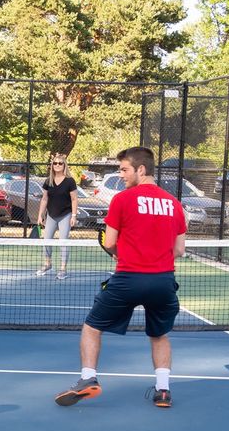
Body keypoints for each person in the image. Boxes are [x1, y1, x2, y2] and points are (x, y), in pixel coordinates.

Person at [54, 146, 187, 409]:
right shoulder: (174, 204)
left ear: (141, 169)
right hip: (163, 281)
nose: (122, 175)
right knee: (159, 335)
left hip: (128, 278)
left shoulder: (122, 200)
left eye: (125, 170)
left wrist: (118, 252)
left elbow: (111, 241)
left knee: (92, 327)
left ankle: (87, 378)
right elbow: (180, 250)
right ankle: (163, 391)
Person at [35, 155, 79, 279]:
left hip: (66, 214)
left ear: (64, 165)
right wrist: (40, 215)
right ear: (52, 166)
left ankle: (63, 268)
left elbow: (74, 199)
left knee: (63, 241)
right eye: (55, 163)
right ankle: (48, 264)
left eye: (60, 163)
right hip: (51, 215)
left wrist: (74, 216)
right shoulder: (48, 181)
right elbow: (44, 199)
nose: (58, 165)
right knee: (46, 240)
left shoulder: (70, 181)